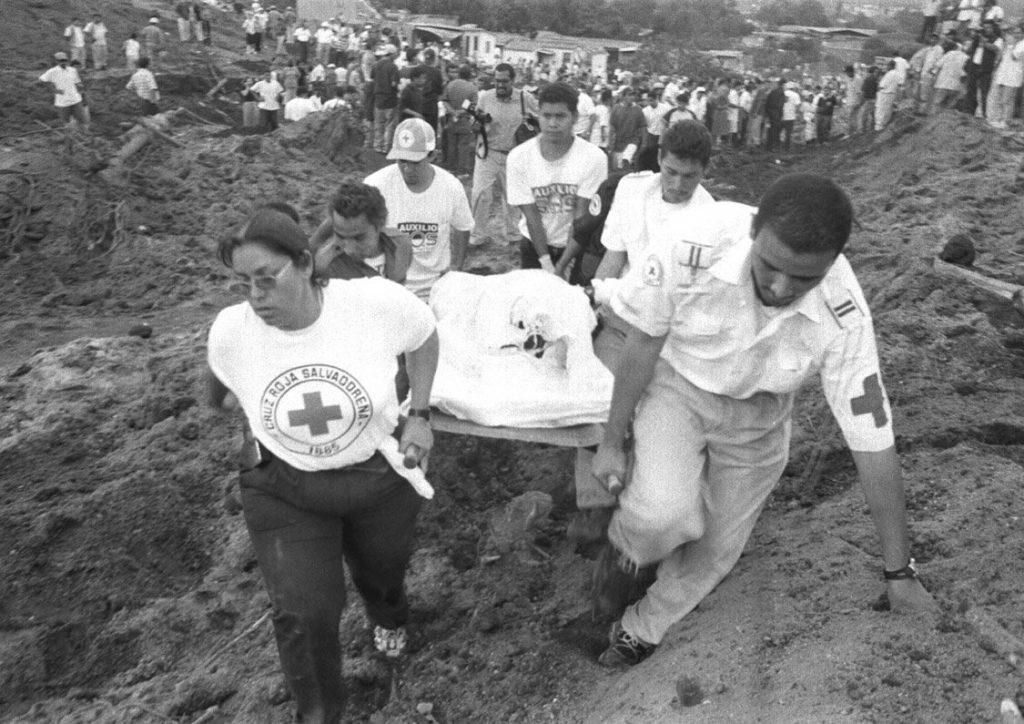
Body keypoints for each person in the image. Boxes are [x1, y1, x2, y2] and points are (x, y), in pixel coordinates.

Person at [589, 174, 939, 668]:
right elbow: (643, 340)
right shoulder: (691, 244)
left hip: (760, 419)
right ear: (754, 231)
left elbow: (872, 443)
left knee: (716, 548)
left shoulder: (845, 316)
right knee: (663, 513)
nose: (780, 288)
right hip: (678, 388)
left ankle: (639, 628)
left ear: (832, 262)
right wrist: (612, 441)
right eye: (771, 266)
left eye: (804, 279)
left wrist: (899, 573)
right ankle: (627, 553)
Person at [206, 205, 438, 723]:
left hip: (378, 476)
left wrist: (420, 415)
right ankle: (319, 715)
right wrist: (266, 422)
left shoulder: (372, 303)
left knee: (383, 574)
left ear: (306, 263)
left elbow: (424, 336)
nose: (255, 296)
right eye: (242, 283)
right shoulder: (232, 332)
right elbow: (218, 395)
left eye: (267, 278)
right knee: (304, 612)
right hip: (285, 487)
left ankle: (388, 615)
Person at [570, 120, 716, 534]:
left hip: (671, 336)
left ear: (705, 172)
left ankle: (640, 510)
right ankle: (595, 504)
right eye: (671, 172)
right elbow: (613, 258)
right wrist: (589, 310)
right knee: (597, 399)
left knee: (655, 424)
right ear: (660, 161)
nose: (678, 184)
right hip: (622, 319)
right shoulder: (633, 192)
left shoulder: (709, 219)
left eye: (689, 177)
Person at [364, 118, 473, 301]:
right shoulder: (375, 185)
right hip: (390, 289)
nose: (407, 169)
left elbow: (463, 226)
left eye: (415, 162)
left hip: (434, 287)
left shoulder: (450, 187)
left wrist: (456, 268)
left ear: (432, 156)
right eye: (402, 161)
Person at [506, 81, 608, 276]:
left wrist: (563, 264)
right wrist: (546, 262)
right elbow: (531, 215)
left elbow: (581, 217)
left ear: (574, 117)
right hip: (534, 246)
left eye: (560, 116)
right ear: (538, 115)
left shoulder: (594, 158)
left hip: (576, 246)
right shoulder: (519, 157)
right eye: (547, 116)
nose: (552, 123)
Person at [468, 63, 539, 247]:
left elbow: (540, 120)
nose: (500, 85)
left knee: (513, 197)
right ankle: (477, 235)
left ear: (513, 80)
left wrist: (532, 124)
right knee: (481, 194)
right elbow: (474, 122)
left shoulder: (525, 98)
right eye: (497, 81)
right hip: (488, 153)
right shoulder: (485, 97)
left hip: (514, 156)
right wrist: (476, 125)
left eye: (504, 81)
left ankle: (513, 234)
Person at [309, 179, 413, 284]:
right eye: (340, 236)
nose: (349, 250)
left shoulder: (401, 246)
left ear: (380, 225)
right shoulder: (325, 267)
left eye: (358, 238)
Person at [441, 64, 478, 177]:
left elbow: (445, 101)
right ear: (469, 75)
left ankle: (451, 167)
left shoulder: (450, 85)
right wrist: (461, 110)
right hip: (464, 119)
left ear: (459, 73)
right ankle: (461, 170)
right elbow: (473, 105)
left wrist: (453, 112)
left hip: (451, 118)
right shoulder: (472, 87)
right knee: (463, 145)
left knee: (451, 144)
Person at [39, 51, 88, 129]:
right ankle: (69, 134)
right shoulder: (53, 71)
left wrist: (81, 89)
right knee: (66, 122)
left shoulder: (72, 70)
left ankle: (83, 133)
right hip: (62, 102)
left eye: (65, 60)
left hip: (75, 99)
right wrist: (54, 90)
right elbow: (42, 80)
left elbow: (77, 82)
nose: (63, 62)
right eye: (61, 61)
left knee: (82, 120)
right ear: (57, 61)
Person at [988, 23, 1024, 128]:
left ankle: (1006, 121)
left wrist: (1011, 45)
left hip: (1013, 76)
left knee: (1007, 100)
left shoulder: (1022, 44)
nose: (1016, 34)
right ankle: (998, 119)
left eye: (1018, 32)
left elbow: (1014, 56)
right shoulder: (1009, 44)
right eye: (1014, 32)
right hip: (1003, 74)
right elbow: (1002, 58)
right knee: (999, 98)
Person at [371, 44, 400, 153]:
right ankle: (386, 147)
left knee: (379, 123)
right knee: (390, 124)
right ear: (391, 54)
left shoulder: (376, 65)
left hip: (378, 97)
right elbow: (394, 84)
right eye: (395, 53)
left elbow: (372, 78)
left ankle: (377, 145)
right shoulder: (393, 67)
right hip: (390, 98)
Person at [608, 87, 645, 170]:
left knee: (626, 159)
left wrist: (643, 143)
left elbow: (643, 126)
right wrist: (610, 144)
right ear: (624, 96)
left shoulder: (638, 109)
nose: (632, 97)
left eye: (633, 95)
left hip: (633, 141)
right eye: (629, 95)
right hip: (619, 143)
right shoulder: (616, 108)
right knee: (619, 167)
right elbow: (612, 127)